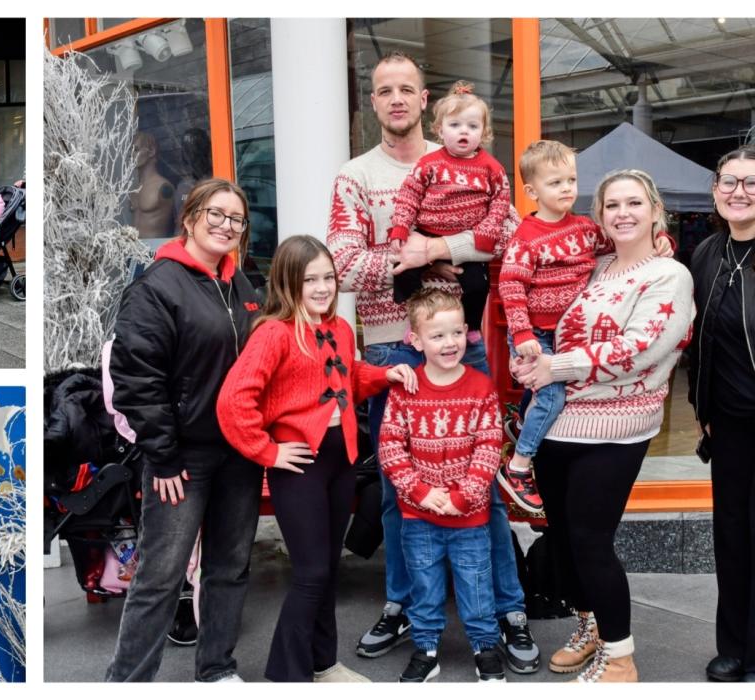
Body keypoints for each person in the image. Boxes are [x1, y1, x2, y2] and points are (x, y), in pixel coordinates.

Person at [325, 51, 537, 674]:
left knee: (485, 488)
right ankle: (403, 605)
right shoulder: (355, 177)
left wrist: (438, 244)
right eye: (384, 91)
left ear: (426, 101)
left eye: (407, 90)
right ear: (373, 103)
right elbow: (341, 262)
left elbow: (512, 235)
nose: (395, 100)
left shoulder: (469, 161)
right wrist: (420, 262)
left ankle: (508, 610)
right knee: (398, 491)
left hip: (462, 343)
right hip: (392, 351)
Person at [515, 169, 694, 682]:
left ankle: (620, 657)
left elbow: (641, 349)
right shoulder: (593, 268)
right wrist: (530, 364)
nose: (623, 213)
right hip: (555, 427)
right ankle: (590, 624)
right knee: (565, 540)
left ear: (655, 210)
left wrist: (558, 368)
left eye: (634, 203)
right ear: (599, 218)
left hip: (615, 431)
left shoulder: (668, 276)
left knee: (592, 541)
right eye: (611, 205)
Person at [216, 235, 417, 682]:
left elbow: (348, 378)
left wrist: (385, 374)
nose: (323, 287)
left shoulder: (340, 329)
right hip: (300, 465)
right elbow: (233, 401)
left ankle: (324, 666)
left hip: (340, 460)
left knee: (327, 571)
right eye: (311, 279)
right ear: (290, 281)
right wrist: (266, 450)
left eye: (328, 277)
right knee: (310, 573)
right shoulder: (273, 333)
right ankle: (285, 677)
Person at [106, 178, 262, 682]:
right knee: (161, 576)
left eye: (235, 219)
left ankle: (216, 669)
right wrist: (165, 456)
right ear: (190, 218)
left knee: (229, 566)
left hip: (238, 453)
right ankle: (127, 682)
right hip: (182, 460)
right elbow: (135, 379)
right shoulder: (157, 287)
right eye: (215, 214)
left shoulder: (240, 284)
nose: (226, 226)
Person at [379, 288, 506, 682]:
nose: (448, 343)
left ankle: (485, 647)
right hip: (419, 516)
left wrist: (464, 495)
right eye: (436, 336)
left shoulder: (481, 387)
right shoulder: (405, 389)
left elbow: (489, 445)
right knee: (425, 586)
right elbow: (390, 449)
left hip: (469, 518)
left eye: (455, 333)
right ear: (415, 340)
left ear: (467, 333)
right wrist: (422, 493)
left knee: (477, 585)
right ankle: (427, 648)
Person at [686, 145, 755, 683]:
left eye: (751, 183)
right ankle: (734, 646)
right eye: (729, 182)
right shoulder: (708, 253)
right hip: (730, 424)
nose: (739, 192)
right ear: (714, 191)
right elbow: (698, 345)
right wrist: (702, 409)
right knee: (731, 536)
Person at [388, 81, 510, 333]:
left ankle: (472, 327)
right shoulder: (429, 163)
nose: (463, 131)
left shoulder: (492, 167)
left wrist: (487, 231)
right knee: (403, 273)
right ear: (440, 130)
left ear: (484, 132)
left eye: (472, 126)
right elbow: (408, 195)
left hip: (468, 240)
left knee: (478, 286)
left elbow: (500, 201)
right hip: (426, 233)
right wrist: (401, 226)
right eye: (455, 125)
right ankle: (416, 323)